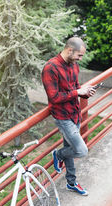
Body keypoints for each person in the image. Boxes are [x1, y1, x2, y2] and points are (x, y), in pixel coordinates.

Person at [41, 37, 96, 196]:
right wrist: (77, 92)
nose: (80, 59)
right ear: (70, 50)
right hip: (62, 117)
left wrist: (84, 93)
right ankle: (57, 155)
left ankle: (71, 183)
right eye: (79, 55)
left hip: (75, 113)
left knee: (70, 148)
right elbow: (54, 97)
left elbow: (75, 88)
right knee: (80, 150)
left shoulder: (74, 65)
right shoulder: (50, 68)